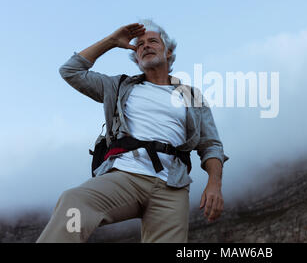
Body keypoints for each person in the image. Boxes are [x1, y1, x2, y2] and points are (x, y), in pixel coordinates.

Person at [37, 20, 229, 243]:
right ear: (136, 59)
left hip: (172, 186)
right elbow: (70, 71)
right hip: (125, 176)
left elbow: (211, 145)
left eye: (153, 41)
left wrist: (214, 184)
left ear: (168, 52)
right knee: (75, 202)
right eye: (139, 45)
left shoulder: (191, 96)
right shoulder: (119, 86)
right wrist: (111, 41)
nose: (145, 46)